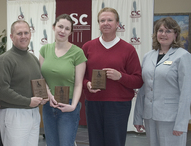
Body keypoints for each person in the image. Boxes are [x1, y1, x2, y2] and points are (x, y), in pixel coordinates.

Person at [82, 7, 143, 146]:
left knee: (115, 142)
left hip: (118, 105)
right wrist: (87, 84)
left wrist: (120, 76)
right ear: (98, 24)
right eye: (102, 20)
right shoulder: (88, 47)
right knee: (95, 142)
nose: (106, 23)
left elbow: (138, 81)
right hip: (93, 103)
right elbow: (80, 76)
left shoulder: (128, 49)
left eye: (110, 20)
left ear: (117, 24)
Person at [133, 17, 191, 146]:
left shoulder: (183, 56)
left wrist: (181, 123)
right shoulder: (148, 56)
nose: (163, 34)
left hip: (171, 118)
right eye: (160, 30)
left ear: (175, 34)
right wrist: (138, 116)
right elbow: (143, 89)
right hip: (150, 116)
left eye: (168, 31)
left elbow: (186, 92)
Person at [0, 20, 44, 146]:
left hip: (33, 113)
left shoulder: (33, 58)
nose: (23, 36)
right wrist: (28, 101)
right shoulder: (4, 60)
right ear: (11, 36)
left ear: (30, 35)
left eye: (26, 33)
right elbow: (1, 91)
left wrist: (42, 97)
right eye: (19, 33)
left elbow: (37, 84)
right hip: (14, 114)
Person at [39, 14, 86, 146]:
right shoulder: (44, 50)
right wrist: (48, 94)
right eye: (60, 26)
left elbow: (78, 84)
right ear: (54, 27)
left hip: (68, 106)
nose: (62, 31)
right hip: (49, 105)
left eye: (67, 28)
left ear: (70, 32)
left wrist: (73, 106)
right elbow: (42, 78)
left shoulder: (77, 53)